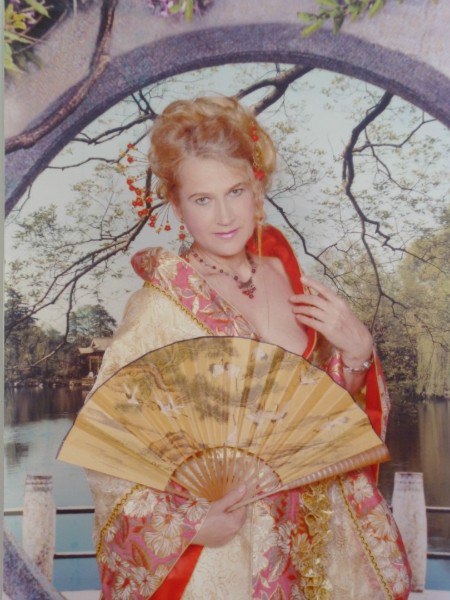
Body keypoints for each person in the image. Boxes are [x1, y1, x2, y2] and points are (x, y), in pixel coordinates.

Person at [86, 96, 411, 599]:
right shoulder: (160, 308)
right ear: (177, 205)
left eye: (235, 191)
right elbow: (110, 444)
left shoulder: (290, 276)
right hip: (230, 550)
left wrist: (357, 356)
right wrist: (188, 523)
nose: (223, 216)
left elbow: (331, 421)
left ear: (257, 187)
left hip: (320, 534)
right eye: (202, 199)